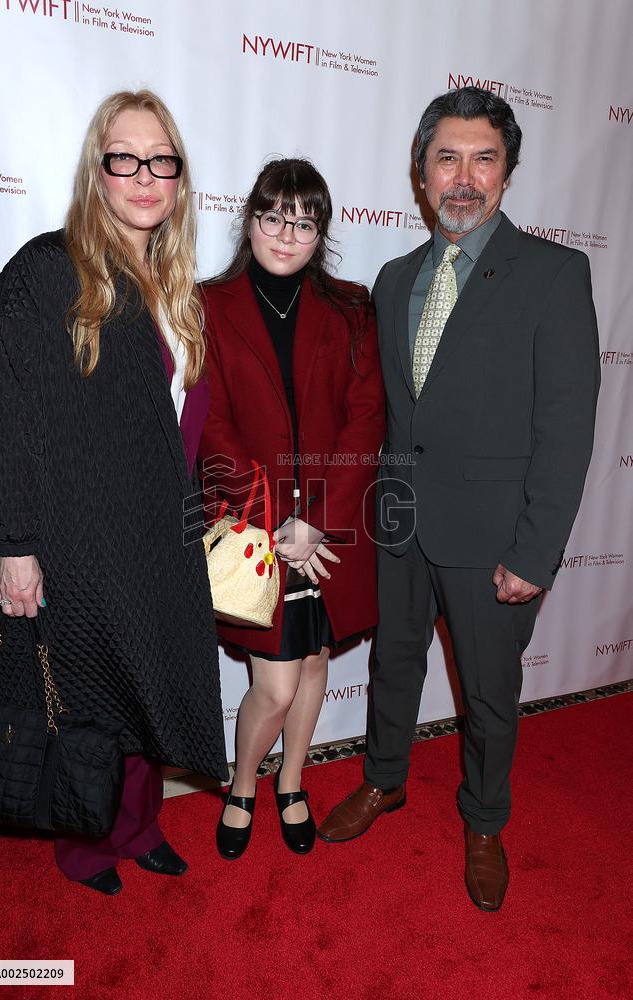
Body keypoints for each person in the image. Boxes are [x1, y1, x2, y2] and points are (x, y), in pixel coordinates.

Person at [318, 87, 600, 911]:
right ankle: (383, 780)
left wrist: (535, 552)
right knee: (391, 665)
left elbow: (567, 428)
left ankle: (484, 820)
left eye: (484, 159)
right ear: (421, 171)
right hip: (402, 524)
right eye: (448, 158)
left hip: (492, 539)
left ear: (507, 173)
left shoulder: (555, 273)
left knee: (488, 694)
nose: (464, 178)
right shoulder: (394, 277)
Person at [0, 90, 228, 895]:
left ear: (180, 178)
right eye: (126, 158)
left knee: (147, 690)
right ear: (98, 170)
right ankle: (86, 846)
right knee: (88, 698)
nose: (145, 176)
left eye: (163, 160)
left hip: (164, 537)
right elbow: (7, 415)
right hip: (78, 540)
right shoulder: (48, 271)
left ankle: (138, 824)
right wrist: (14, 545)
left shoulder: (177, 282)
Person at [198, 158, 385, 859]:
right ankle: (244, 784)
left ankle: (293, 783)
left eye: (304, 222)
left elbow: (366, 419)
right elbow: (208, 423)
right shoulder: (208, 305)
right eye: (274, 215)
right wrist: (272, 516)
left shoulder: (351, 307)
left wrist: (320, 519)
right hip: (255, 526)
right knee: (272, 685)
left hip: (328, 529)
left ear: (321, 233)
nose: (286, 233)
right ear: (250, 219)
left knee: (312, 665)